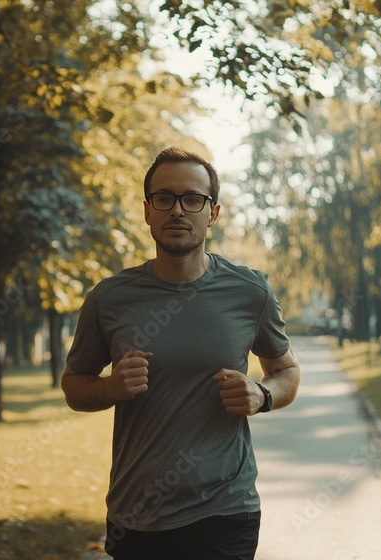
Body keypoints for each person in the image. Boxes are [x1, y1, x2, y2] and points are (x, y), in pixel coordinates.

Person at [61, 146, 302, 560]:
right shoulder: (109, 298)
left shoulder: (250, 292)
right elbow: (74, 386)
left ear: (212, 213)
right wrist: (111, 388)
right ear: (147, 211)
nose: (177, 210)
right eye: (164, 198)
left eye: (193, 199)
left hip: (226, 512)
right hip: (136, 515)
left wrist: (262, 395)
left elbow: (286, 370)